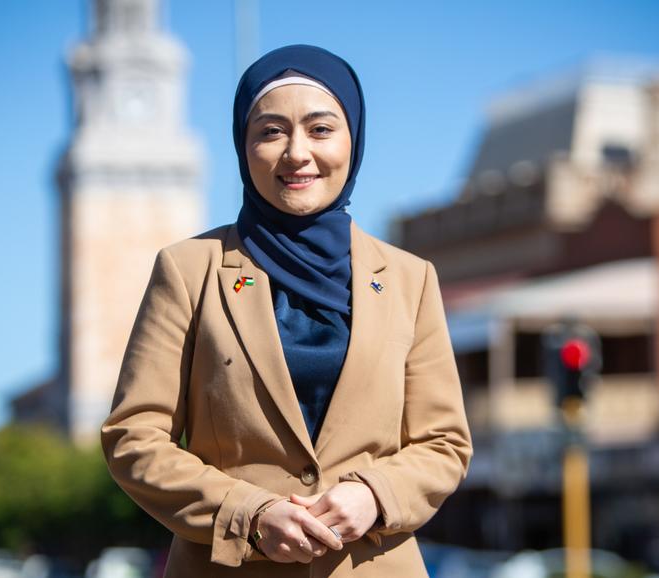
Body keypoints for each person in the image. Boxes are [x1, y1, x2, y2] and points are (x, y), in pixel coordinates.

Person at [101, 44, 472, 578]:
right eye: (271, 131)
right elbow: (133, 436)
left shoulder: (410, 279)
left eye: (321, 129)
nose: (297, 152)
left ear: (354, 141)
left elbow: (444, 442)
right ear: (243, 146)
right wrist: (247, 514)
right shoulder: (189, 270)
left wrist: (376, 495)